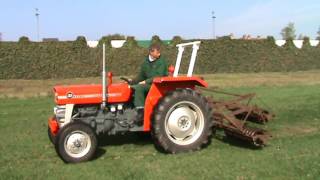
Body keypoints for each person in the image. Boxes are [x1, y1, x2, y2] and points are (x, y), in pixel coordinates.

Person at [129, 44, 168, 123]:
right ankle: (131, 108)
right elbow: (141, 75)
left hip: (157, 85)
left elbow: (158, 76)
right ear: (151, 52)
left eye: (159, 52)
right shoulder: (146, 62)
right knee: (132, 87)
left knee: (139, 88)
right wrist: (132, 81)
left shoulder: (161, 62)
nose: (159, 54)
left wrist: (146, 81)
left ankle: (141, 112)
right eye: (157, 52)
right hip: (149, 84)